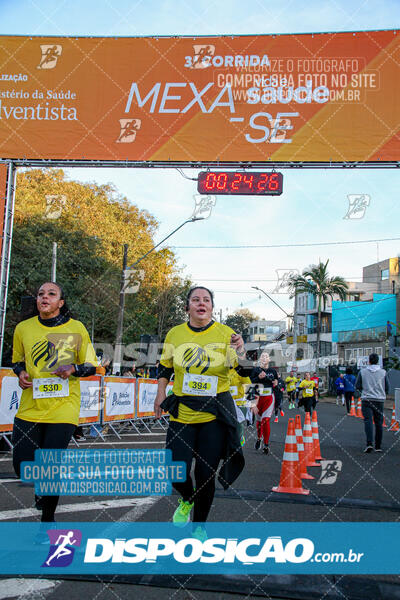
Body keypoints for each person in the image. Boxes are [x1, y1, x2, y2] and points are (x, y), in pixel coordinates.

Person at [154, 286, 245, 541]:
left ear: (212, 307)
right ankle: (186, 499)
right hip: (183, 411)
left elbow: (240, 366)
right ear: (188, 307)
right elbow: (164, 366)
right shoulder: (175, 333)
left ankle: (199, 528)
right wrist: (160, 393)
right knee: (176, 470)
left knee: (205, 475)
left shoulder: (226, 333)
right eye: (195, 299)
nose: (201, 303)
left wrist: (241, 349)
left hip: (214, 413)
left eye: (206, 300)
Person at [11, 281, 97, 543]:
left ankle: (46, 522)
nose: (44, 297)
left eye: (51, 294)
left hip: (63, 407)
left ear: (61, 303)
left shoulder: (76, 328)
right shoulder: (23, 328)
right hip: (30, 405)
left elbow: (92, 365)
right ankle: (39, 487)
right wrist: (21, 373)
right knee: (21, 464)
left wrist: (73, 369)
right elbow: (17, 361)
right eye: (40, 294)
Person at [356, 353, 389, 453]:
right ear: (378, 361)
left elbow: (358, 385)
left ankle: (369, 444)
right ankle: (378, 446)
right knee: (379, 423)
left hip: (367, 399)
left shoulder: (363, 372)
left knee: (368, 421)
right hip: (379, 400)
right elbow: (387, 387)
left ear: (369, 361)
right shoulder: (383, 372)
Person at [250, 351, 278, 455]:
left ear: (269, 359)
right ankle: (258, 438)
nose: (264, 358)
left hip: (269, 398)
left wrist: (276, 382)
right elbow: (250, 382)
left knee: (265, 420)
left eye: (266, 356)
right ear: (260, 359)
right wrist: (258, 378)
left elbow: (276, 382)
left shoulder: (273, 371)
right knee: (259, 421)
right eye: (262, 356)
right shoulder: (255, 370)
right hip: (257, 398)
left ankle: (266, 445)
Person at [229, 367, 251, 445]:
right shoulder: (221, 371)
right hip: (226, 403)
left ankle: (239, 438)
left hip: (239, 404)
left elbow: (249, 386)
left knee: (238, 427)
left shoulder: (240, 371)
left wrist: (250, 400)